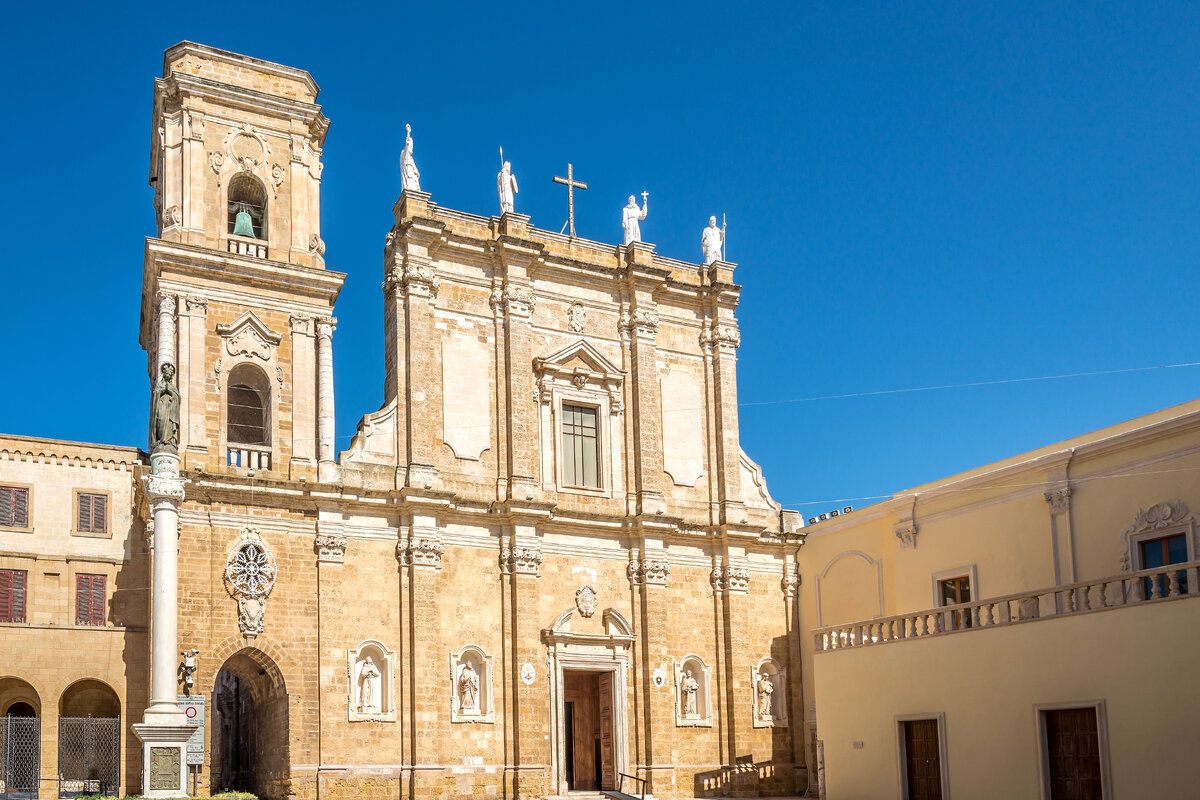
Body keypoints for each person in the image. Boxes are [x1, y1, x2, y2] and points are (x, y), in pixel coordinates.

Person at [151, 362, 180, 455]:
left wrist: (171, 392)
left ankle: (169, 441)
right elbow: (155, 394)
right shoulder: (159, 385)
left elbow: (178, 397)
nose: (168, 375)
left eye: (170, 374)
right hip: (162, 406)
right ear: (163, 374)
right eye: (166, 373)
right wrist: (163, 390)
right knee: (161, 421)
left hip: (171, 409)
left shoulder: (173, 387)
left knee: (170, 425)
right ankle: (161, 440)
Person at [400, 123, 421, 192]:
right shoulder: (405, 155)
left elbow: (416, 172)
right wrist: (408, 132)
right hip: (409, 178)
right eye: (410, 146)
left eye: (412, 147)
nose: (411, 148)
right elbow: (407, 144)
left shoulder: (411, 159)